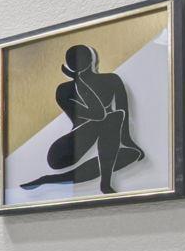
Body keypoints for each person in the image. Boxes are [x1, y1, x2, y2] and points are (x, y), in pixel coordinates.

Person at [19, 43, 144, 193]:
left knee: (132, 153)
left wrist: (129, 143)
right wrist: (78, 81)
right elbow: (98, 114)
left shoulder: (112, 80)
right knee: (112, 118)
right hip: (65, 151)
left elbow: (123, 117)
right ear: (93, 60)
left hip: (101, 145)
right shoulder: (64, 90)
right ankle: (105, 183)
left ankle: (49, 179)